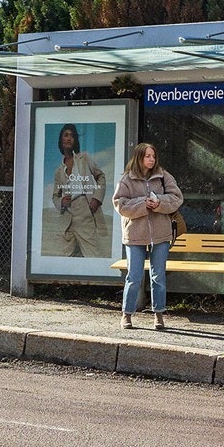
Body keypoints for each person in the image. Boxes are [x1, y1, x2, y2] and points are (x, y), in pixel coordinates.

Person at [112, 142, 183, 330]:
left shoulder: (163, 176)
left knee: (158, 276)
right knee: (134, 276)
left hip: (161, 234)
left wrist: (159, 202)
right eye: (147, 156)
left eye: (153, 156)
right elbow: (120, 204)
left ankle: (159, 315)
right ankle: (126, 315)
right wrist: (144, 203)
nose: (151, 159)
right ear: (139, 157)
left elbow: (177, 198)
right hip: (135, 234)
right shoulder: (126, 180)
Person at [49, 123, 108, 257]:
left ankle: (93, 278)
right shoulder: (58, 171)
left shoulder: (84, 158)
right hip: (67, 216)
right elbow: (55, 196)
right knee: (65, 257)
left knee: (93, 255)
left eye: (72, 136)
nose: (69, 138)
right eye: (66, 135)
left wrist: (96, 199)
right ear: (61, 140)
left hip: (85, 210)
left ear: (75, 140)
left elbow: (101, 176)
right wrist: (61, 202)